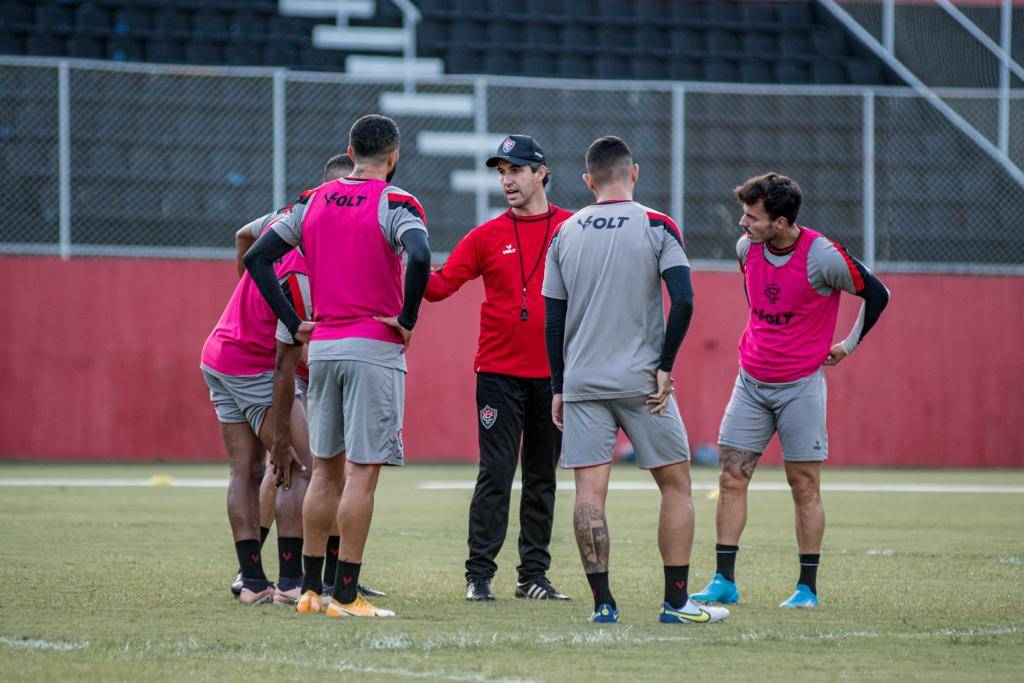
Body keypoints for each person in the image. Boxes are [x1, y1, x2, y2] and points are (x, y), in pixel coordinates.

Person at [245, 114, 431, 618]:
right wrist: (408, 317)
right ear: (392, 157)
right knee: (362, 475)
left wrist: (293, 320)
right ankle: (346, 594)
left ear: (350, 151)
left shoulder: (311, 200)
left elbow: (257, 257)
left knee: (324, 471)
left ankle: (309, 591)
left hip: (322, 347)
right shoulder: (396, 201)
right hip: (374, 347)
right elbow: (419, 253)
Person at [542, 135, 728, 625]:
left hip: (582, 381)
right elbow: (684, 300)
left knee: (588, 494)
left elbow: (553, 320)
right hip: (643, 381)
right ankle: (677, 602)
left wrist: (559, 386)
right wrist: (665, 366)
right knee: (676, 486)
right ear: (635, 173)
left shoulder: (565, 232)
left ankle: (604, 605)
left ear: (587, 181)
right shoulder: (656, 224)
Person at [690, 172, 890, 609]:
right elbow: (763, 310)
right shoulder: (747, 250)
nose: (743, 224)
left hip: (800, 387)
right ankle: (724, 580)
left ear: (780, 222)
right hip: (750, 383)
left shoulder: (823, 256)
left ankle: (806, 589)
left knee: (804, 487)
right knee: (731, 478)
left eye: (752, 217)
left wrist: (847, 345)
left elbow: (877, 294)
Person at [425, 135, 574, 602]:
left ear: (541, 173)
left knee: (542, 477)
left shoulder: (574, 228)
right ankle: (479, 577)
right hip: (498, 375)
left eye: (515, 170)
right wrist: (396, 263)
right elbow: (439, 286)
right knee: (496, 471)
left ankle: (533, 576)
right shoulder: (486, 235)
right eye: (501, 172)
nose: (507, 180)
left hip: (555, 380)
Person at [201, 157, 350, 605]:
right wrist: (281, 435)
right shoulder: (304, 276)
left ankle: (251, 584)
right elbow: (285, 365)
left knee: (244, 470)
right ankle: (288, 585)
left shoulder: (289, 216)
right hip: (254, 364)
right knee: (298, 465)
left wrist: (246, 296)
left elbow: (245, 238)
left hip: (220, 350)